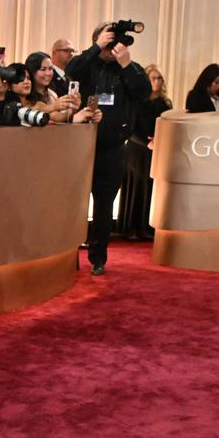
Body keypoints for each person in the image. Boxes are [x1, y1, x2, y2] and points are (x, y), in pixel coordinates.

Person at [66, 20, 150, 275]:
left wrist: (125, 64)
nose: (110, 49)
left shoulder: (129, 69)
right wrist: (95, 48)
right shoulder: (87, 65)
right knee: (72, 202)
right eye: (107, 43)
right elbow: (71, 70)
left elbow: (144, 91)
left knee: (103, 205)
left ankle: (98, 257)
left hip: (113, 147)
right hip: (79, 146)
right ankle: (66, 254)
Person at [119, 63, 171, 240]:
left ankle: (147, 227)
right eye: (153, 78)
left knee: (150, 187)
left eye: (159, 78)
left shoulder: (165, 103)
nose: (156, 81)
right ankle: (132, 228)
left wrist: (158, 142)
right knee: (136, 187)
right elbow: (131, 127)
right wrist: (147, 143)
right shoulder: (138, 101)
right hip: (137, 148)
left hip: (156, 148)